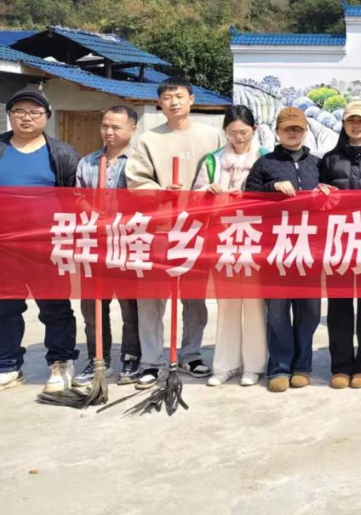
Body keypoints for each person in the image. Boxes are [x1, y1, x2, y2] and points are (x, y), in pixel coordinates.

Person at [125, 77, 223, 389]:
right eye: (167, 97)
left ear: (192, 99)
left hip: (197, 228)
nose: (174, 102)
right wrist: (160, 191)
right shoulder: (149, 139)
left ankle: (190, 353)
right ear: (160, 103)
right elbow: (135, 179)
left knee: (194, 298)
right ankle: (151, 361)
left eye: (179, 96)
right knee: (151, 299)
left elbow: (220, 172)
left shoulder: (211, 136)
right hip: (159, 229)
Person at [245, 107, 332, 393]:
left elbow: (333, 201)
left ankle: (302, 366)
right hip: (276, 248)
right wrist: (272, 186)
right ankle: (279, 367)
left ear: (305, 131)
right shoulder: (264, 164)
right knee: (278, 312)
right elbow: (248, 200)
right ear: (278, 131)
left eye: (298, 128)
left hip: (310, 247)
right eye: (287, 128)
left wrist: (328, 196)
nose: (293, 133)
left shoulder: (318, 164)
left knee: (309, 310)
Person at [0, 90, 80, 393]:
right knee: (5, 307)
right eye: (19, 111)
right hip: (4, 245)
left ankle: (61, 361)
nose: (27, 117)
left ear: (47, 117)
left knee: (55, 306)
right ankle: (7, 364)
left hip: (47, 245)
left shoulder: (62, 153)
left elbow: (74, 199)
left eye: (35, 112)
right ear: (9, 115)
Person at [193, 105, 270, 388]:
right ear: (224, 131)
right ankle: (225, 365)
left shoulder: (265, 158)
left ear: (255, 130)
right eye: (232, 132)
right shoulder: (212, 160)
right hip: (222, 238)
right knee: (226, 303)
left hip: (254, 238)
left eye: (244, 132)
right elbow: (195, 197)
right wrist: (208, 192)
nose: (238, 138)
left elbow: (273, 197)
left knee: (254, 303)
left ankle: (254, 364)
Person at [318, 100, 361, 390]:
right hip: (339, 242)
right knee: (339, 307)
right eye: (351, 121)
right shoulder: (329, 160)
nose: (356, 125)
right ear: (344, 124)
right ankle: (341, 366)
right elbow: (317, 201)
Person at [72, 105, 142, 388]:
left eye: (116, 127)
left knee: (130, 307)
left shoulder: (139, 162)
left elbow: (148, 200)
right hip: (94, 245)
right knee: (92, 308)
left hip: (128, 244)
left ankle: (131, 356)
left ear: (132, 129)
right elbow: (77, 196)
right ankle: (98, 357)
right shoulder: (88, 162)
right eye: (105, 126)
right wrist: (89, 209)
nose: (109, 132)